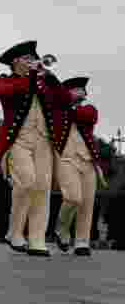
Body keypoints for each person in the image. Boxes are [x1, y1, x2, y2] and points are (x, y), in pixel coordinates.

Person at [0, 40, 69, 256]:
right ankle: (14, 232)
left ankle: (37, 239)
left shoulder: (44, 82)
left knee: (42, 188)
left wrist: (51, 78)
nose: (33, 62)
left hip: (44, 140)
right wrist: (33, 76)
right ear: (15, 62)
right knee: (26, 181)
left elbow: (64, 100)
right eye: (28, 59)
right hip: (18, 139)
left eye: (34, 59)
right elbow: (6, 93)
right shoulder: (4, 80)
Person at [53, 76, 101, 256]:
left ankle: (82, 241)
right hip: (66, 158)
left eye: (82, 90)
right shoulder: (58, 111)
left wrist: (67, 105)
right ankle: (62, 229)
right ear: (68, 92)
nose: (81, 92)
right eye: (76, 89)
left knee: (87, 203)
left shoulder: (89, 109)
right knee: (73, 197)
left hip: (88, 160)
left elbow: (88, 117)